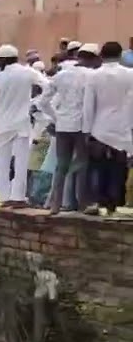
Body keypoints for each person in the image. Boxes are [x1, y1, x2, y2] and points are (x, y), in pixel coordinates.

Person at [38, 45, 96, 213]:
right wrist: (88, 128)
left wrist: (56, 118)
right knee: (82, 164)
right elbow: (89, 105)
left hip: (63, 126)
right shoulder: (90, 76)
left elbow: (43, 102)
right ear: (93, 59)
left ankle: (55, 204)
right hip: (81, 126)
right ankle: (82, 203)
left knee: (61, 165)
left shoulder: (60, 75)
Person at [81, 41, 133, 214]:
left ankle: (98, 202)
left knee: (98, 167)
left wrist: (86, 130)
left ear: (101, 56)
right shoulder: (130, 74)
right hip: (122, 128)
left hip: (99, 128)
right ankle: (114, 204)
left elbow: (88, 105)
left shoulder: (93, 76)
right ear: (120, 55)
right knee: (118, 169)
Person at [0, 44, 36, 206]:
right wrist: (37, 103)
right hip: (21, 124)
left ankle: (4, 197)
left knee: (2, 162)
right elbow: (47, 85)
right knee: (21, 162)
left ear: (4, 60)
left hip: (3, 126)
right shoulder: (28, 72)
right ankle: (18, 197)